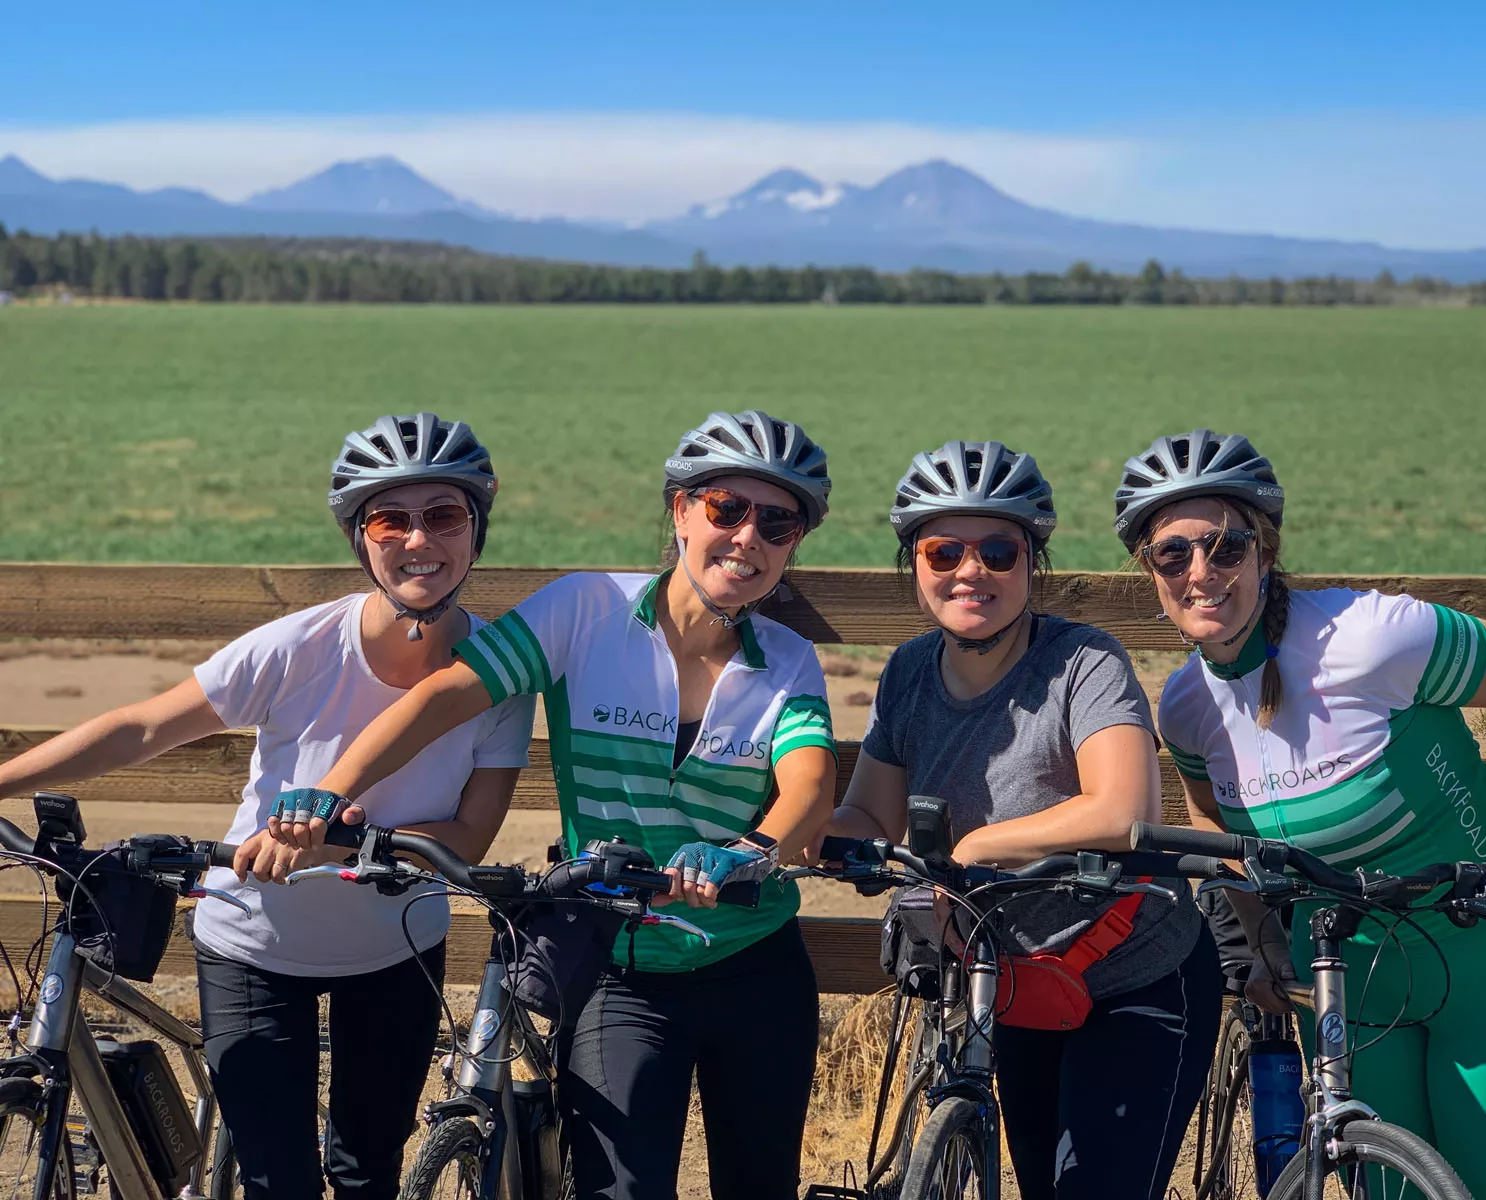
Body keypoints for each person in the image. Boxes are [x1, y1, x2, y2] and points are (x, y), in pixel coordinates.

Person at [269, 410, 839, 1200]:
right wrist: (334, 789)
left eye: (776, 523)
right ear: (680, 512)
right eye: (725, 509)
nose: (748, 537)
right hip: (619, 964)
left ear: (793, 545)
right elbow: (443, 699)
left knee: (760, 1185)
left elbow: (811, 784)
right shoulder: (585, 611)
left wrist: (751, 849)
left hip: (755, 963)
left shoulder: (788, 660)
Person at [0, 413, 535, 1199]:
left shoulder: (498, 674)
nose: (419, 539)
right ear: (361, 538)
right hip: (252, 943)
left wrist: (333, 847)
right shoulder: (299, 646)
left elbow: (469, 834)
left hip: (395, 952)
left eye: (444, 515)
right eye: (391, 519)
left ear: (475, 532)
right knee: (275, 1181)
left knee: (365, 1176)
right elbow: (141, 727)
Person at [1115, 428, 1486, 1199]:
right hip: (1346, 975)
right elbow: (1223, 834)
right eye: (1173, 553)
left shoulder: (1370, 637)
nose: (1201, 572)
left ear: (1263, 549)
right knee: (1386, 1192)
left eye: (1224, 547)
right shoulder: (1188, 709)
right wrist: (1261, 942)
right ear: (1150, 570)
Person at [823, 440, 1222, 1200]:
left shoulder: (1083, 664)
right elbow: (870, 809)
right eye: (944, 551)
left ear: (1032, 563)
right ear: (914, 564)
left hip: (1134, 973)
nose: (971, 571)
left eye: (999, 550)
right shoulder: (908, 671)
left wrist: (975, 848)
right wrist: (798, 834)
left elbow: (1123, 807)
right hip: (1012, 979)